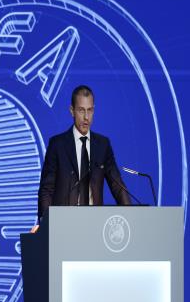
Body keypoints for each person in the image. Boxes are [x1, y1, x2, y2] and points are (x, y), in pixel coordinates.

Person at [38, 85, 131, 221]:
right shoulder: (57, 145)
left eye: (90, 110)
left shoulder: (103, 145)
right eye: (81, 110)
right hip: (64, 223)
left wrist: (131, 215)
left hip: (95, 222)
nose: (86, 117)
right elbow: (47, 189)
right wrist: (45, 222)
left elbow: (117, 185)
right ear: (72, 111)